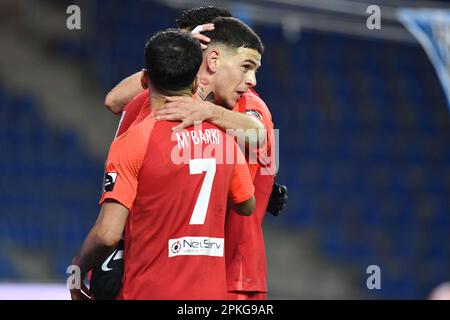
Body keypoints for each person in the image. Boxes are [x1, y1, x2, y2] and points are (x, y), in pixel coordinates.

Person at [99, 9, 288, 300]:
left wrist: (263, 179)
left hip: (232, 274)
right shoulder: (160, 103)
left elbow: (259, 137)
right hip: (174, 272)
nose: (252, 80)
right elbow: (112, 100)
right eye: (246, 67)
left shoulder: (246, 105)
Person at [70, 29, 255, 300]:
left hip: (149, 291)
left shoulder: (134, 141)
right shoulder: (223, 138)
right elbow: (245, 204)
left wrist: (77, 266)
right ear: (195, 84)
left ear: (145, 79)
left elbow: (108, 234)